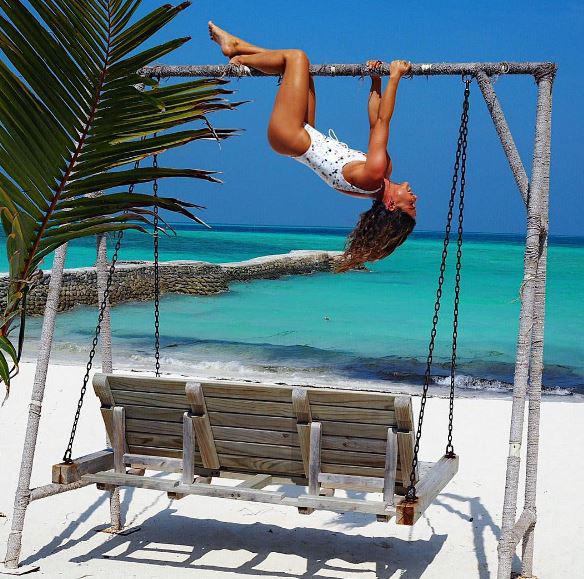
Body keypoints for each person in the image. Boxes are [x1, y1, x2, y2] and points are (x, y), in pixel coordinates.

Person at [209, 22, 417, 271]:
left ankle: (240, 54)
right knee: (302, 70)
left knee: (296, 58)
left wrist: (395, 77)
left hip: (290, 135)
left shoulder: (374, 176)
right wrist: (376, 81)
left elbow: (384, 120)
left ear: (392, 205)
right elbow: (375, 124)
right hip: (305, 132)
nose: (415, 197)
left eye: (411, 204)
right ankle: (238, 47)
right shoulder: (380, 177)